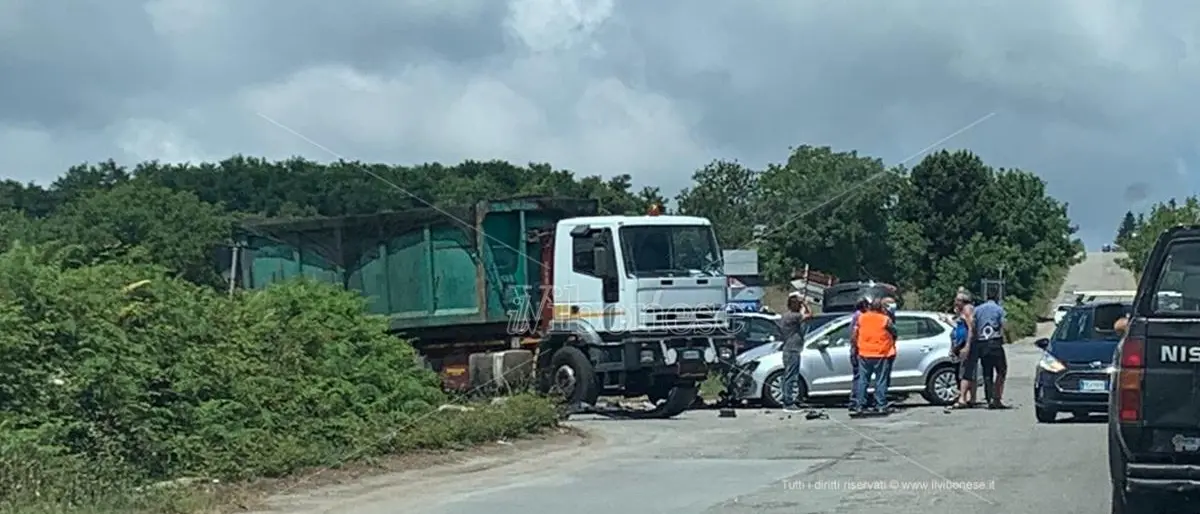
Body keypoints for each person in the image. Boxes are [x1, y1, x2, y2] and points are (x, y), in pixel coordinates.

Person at [851, 298, 897, 416]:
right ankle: (880, 405)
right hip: (881, 353)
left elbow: (854, 334)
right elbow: (894, 331)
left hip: (864, 353)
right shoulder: (885, 319)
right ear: (881, 308)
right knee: (880, 380)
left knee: (863, 380)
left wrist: (854, 348)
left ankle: (859, 406)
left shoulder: (862, 318)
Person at [973, 289, 1010, 409]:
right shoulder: (999, 309)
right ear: (997, 297)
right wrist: (1007, 338)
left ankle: (989, 398)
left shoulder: (977, 309)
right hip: (995, 342)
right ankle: (997, 397)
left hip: (982, 343)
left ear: (986, 296)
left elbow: (973, 325)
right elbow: (1004, 325)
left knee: (987, 373)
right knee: (1001, 370)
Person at [778, 291, 813, 412]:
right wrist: (805, 303)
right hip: (793, 350)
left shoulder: (785, 316)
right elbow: (809, 315)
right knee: (791, 376)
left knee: (789, 375)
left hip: (788, 348)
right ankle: (788, 402)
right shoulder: (795, 316)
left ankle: (788, 399)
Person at [947, 289, 977, 410]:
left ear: (963, 301)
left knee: (965, 372)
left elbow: (971, 328)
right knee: (969, 371)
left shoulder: (967, 310)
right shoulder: (963, 311)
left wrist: (967, 345)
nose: (955, 301)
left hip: (966, 344)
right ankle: (971, 398)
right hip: (961, 344)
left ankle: (962, 398)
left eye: (957, 300)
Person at [848, 296, 871, 411]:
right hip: (858, 350)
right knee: (860, 377)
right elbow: (855, 334)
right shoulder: (860, 316)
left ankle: (856, 400)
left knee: (858, 376)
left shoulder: (855, 315)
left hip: (855, 349)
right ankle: (856, 401)